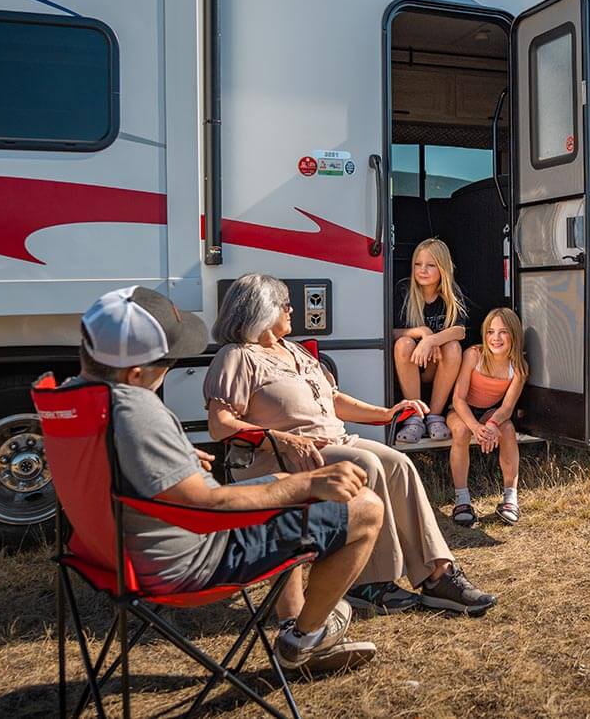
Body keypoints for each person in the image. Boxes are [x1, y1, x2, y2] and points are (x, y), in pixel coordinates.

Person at [73, 286, 384, 673]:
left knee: (275, 483)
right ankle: (303, 639)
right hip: (187, 560)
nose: (170, 367)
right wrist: (309, 484)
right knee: (365, 508)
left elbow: (110, 464)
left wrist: (178, 460)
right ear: (136, 372)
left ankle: (297, 618)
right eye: (168, 360)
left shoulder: (73, 399)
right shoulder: (136, 411)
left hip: (108, 553)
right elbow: (210, 503)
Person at [204, 273, 497, 617]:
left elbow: (335, 399)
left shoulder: (294, 350)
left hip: (333, 442)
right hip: (282, 459)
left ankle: (438, 575)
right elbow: (220, 424)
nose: (291, 308)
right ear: (261, 310)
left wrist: (387, 413)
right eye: (284, 303)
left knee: (399, 464)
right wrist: (282, 440)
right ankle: (370, 582)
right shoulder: (238, 356)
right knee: (366, 465)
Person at [446, 308, 528, 526]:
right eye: (490, 332)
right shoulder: (474, 354)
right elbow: (458, 399)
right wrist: (474, 426)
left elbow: (507, 407)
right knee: (461, 432)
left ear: (514, 335)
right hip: (463, 411)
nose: (495, 338)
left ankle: (510, 497)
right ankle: (462, 499)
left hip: (492, 412)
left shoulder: (518, 368)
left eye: (503, 332)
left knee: (507, 430)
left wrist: (492, 425)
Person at [392, 238, 467, 443]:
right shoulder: (403, 291)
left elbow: (460, 331)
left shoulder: (450, 294)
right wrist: (422, 333)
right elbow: (390, 333)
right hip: (411, 366)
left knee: (452, 346)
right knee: (403, 344)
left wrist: (432, 341)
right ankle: (414, 417)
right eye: (418, 264)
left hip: (437, 367)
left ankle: (434, 416)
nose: (422, 270)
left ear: (443, 268)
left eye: (430, 265)